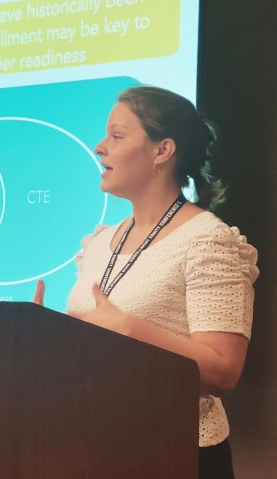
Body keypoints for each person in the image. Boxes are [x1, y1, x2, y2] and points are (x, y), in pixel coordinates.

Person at [34, 86, 258, 478]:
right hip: (93, 445)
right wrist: (42, 334)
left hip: (175, 454)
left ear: (162, 150)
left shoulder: (209, 240)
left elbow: (223, 371)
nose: (99, 147)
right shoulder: (101, 242)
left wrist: (128, 329)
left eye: (117, 136)